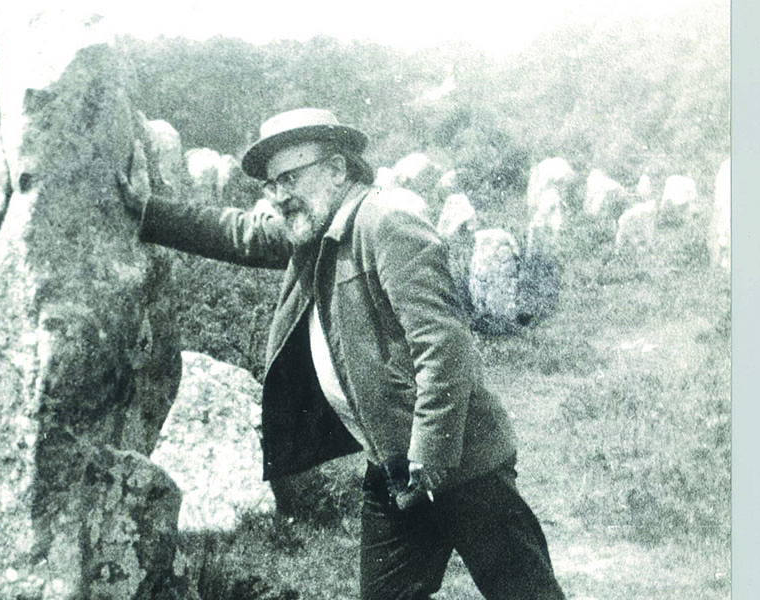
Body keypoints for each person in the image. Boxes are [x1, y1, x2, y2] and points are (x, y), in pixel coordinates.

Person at [118, 108, 565, 600]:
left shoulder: (385, 223)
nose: (279, 195)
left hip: (462, 463)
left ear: (336, 169)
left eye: (290, 178)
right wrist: (146, 212)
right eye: (272, 184)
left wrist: (428, 458)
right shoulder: (313, 230)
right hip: (393, 470)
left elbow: (443, 346)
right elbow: (238, 232)